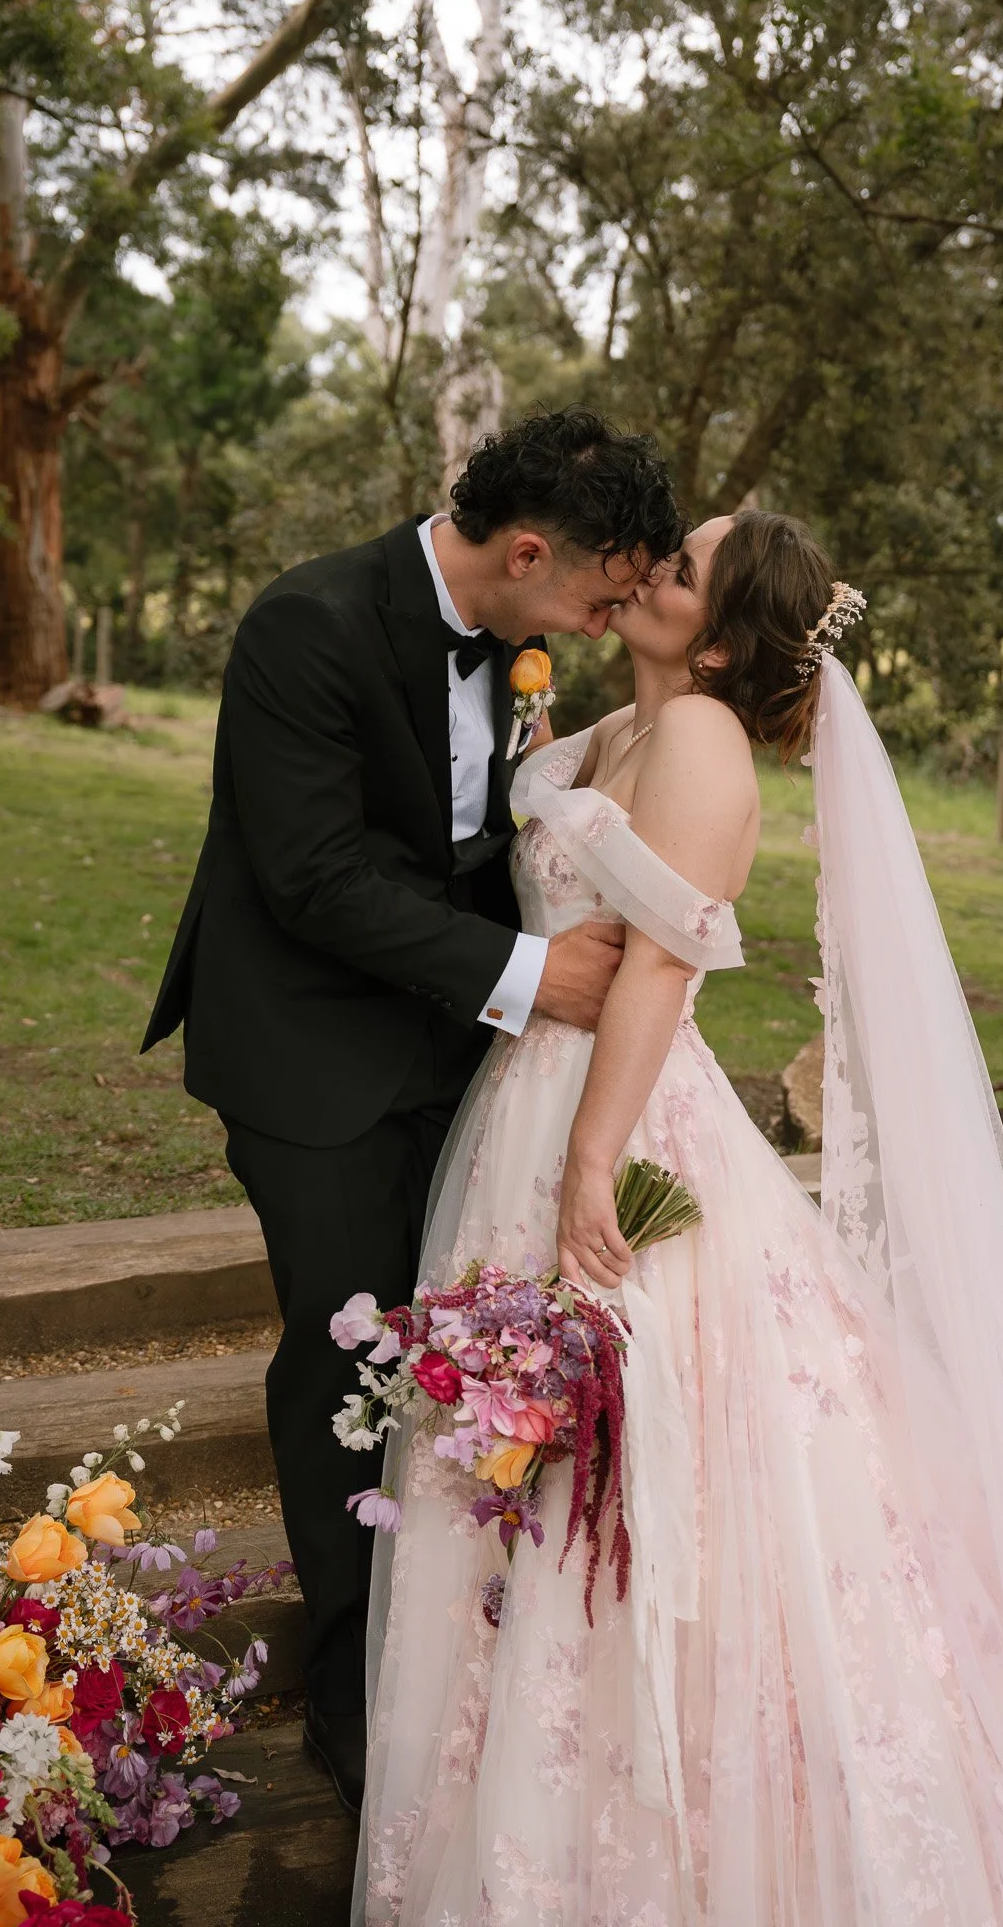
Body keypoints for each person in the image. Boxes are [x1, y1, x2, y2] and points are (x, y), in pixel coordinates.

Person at [354, 510, 1003, 1924]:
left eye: (675, 569)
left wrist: (592, 1164)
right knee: (536, 1458)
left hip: (615, 1119)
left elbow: (661, 972)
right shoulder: (624, 730)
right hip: (531, 1100)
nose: (648, 567)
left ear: (718, 638)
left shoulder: (706, 745)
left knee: (621, 1467)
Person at [140, 408, 684, 1812]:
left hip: (456, 1048)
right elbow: (313, 877)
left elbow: (473, 837)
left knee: (463, 1335)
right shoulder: (302, 626)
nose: (611, 613)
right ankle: (348, 1683)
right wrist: (532, 973)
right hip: (306, 1052)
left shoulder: (521, 644)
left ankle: (455, 1633)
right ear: (522, 552)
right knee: (350, 1346)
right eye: (599, 590)